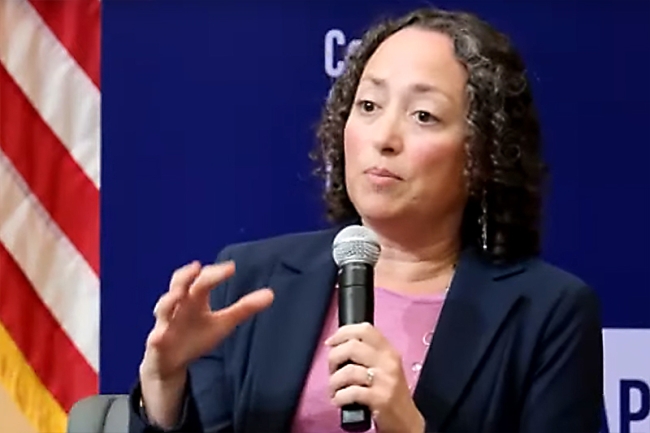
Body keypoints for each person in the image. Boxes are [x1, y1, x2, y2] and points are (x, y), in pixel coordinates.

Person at [128, 6, 604, 433]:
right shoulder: (252, 284)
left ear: (482, 155)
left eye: (423, 115)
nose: (384, 137)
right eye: (369, 106)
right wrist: (165, 385)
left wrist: (409, 428)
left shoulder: (548, 314)